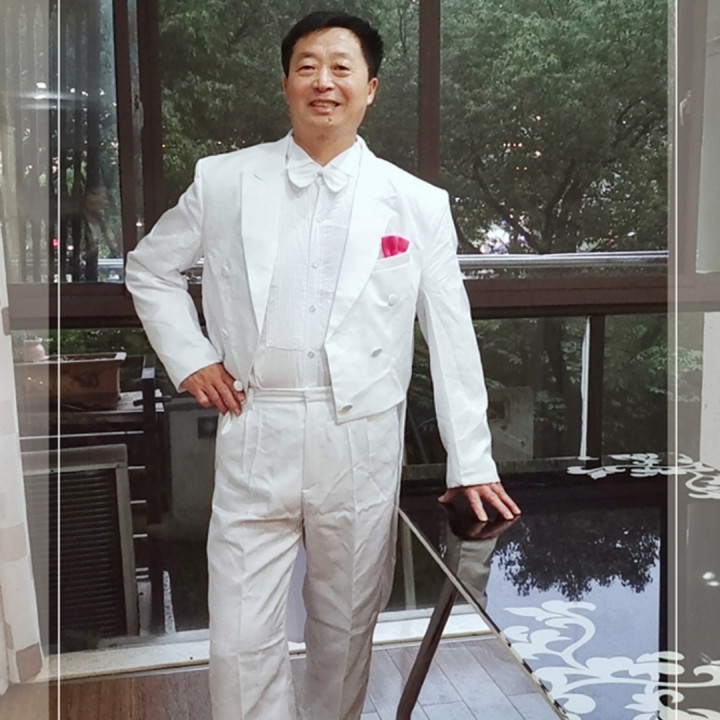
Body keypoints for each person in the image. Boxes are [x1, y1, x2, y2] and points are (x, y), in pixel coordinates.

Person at [125, 10, 520, 720]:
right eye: (307, 67)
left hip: (361, 437)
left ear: (371, 87)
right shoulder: (224, 180)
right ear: (286, 83)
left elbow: (451, 337)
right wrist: (193, 359)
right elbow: (150, 270)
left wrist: (472, 463)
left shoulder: (417, 204)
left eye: (342, 68)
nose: (323, 82)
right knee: (239, 638)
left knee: (345, 629)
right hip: (257, 421)